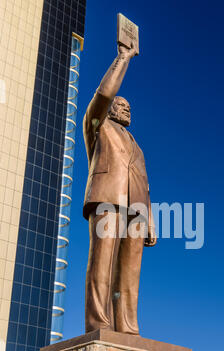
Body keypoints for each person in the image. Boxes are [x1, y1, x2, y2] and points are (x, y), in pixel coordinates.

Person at [83, 43, 156, 335]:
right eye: (121, 105)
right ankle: (99, 324)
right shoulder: (98, 126)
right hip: (107, 201)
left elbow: (146, 186)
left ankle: (127, 327)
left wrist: (149, 220)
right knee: (101, 264)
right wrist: (123, 58)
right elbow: (103, 94)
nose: (126, 109)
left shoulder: (137, 147)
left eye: (129, 108)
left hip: (136, 211)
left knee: (129, 275)